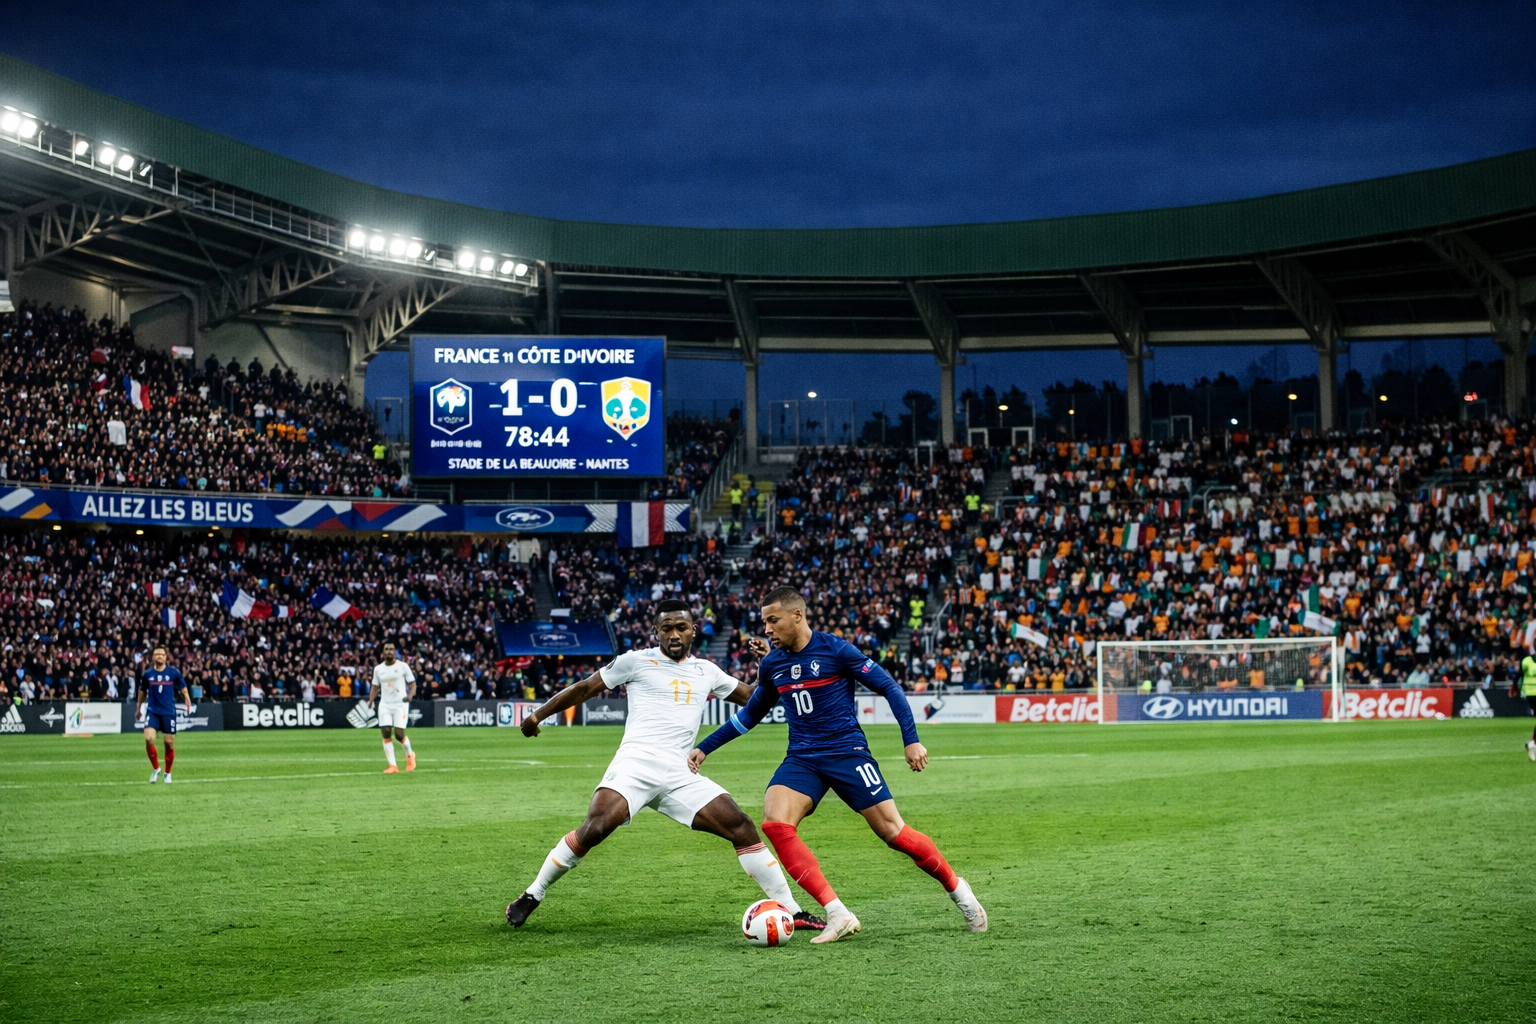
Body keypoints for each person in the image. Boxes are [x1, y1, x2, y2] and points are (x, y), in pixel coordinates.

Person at [505, 599, 823, 935]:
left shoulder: (707, 670)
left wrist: (768, 665)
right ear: (656, 631)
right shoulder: (635, 662)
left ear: (693, 631)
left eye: (681, 627)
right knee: (595, 829)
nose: (674, 634)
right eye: (667, 627)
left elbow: (754, 698)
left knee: (741, 826)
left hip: (680, 770)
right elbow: (586, 688)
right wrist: (538, 714)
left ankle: (794, 910)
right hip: (636, 763)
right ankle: (532, 894)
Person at [690, 586, 987, 943]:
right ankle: (837, 913)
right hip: (802, 758)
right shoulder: (773, 664)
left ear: (797, 616)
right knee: (776, 823)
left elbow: (890, 687)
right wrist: (705, 748)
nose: (766, 629)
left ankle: (960, 892)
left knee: (895, 834)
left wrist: (911, 739)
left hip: (847, 752)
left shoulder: (835, 649)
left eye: (773, 620)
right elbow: (750, 715)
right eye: (764, 621)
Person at [137, 646, 189, 784]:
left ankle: (167, 773)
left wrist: (187, 699)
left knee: (169, 743)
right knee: (149, 738)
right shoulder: (147, 674)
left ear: (166, 657)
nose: (159, 656)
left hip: (168, 712)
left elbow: (183, 687)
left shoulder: (174, 673)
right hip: (152, 711)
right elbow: (142, 691)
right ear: (153, 657)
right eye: (156, 654)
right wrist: (138, 709)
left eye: (162, 654)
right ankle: (156, 769)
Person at [370, 642, 417, 773]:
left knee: (399, 734)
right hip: (384, 704)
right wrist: (370, 700)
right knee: (385, 732)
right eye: (387, 649)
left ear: (395, 651)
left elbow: (412, 684)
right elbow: (375, 686)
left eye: (391, 649)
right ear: (383, 653)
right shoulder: (378, 669)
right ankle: (393, 766)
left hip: (400, 704)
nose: (389, 651)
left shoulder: (403, 666)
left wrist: (410, 695)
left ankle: (410, 754)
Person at [1520, 650, 1536, 760]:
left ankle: (1533, 743)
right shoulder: (1527, 661)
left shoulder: (1526, 661)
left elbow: (1519, 675)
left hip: (1530, 693)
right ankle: (1533, 743)